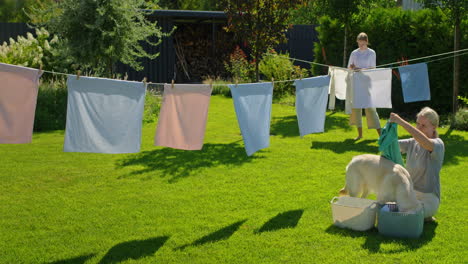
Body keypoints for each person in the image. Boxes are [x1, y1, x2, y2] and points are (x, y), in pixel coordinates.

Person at [389, 107, 444, 222]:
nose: (419, 128)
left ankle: (423, 213)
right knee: (386, 205)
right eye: (417, 124)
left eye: (423, 125)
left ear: (434, 127)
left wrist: (400, 121)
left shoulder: (438, 145)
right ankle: (421, 215)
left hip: (429, 199)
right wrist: (386, 130)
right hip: (410, 196)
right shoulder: (412, 142)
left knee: (407, 214)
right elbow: (390, 144)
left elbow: (423, 141)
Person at [348, 32, 381, 140]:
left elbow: (373, 68)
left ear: (366, 42)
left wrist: (359, 69)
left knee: (371, 109)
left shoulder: (371, 53)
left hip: (367, 84)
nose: (360, 46)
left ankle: (381, 135)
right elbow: (349, 67)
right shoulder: (354, 53)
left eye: (362, 44)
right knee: (356, 108)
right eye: (359, 44)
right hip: (356, 83)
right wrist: (353, 67)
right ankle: (360, 135)